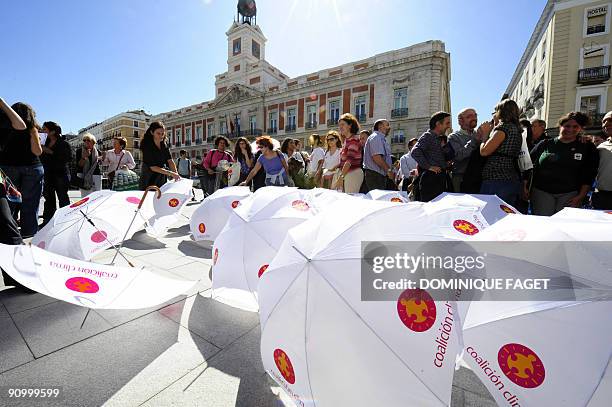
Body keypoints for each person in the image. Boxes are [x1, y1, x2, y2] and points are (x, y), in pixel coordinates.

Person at [530, 112, 599, 215]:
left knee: (564, 225)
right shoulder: (545, 144)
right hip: (542, 192)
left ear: (580, 129)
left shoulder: (587, 146)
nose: (570, 129)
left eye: (575, 126)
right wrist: (525, 187)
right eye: (567, 126)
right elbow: (528, 165)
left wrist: (581, 196)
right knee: (543, 224)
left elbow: (589, 173)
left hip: (570, 194)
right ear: (560, 126)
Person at [0, 102, 43, 237]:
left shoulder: (5, 127)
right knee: (30, 205)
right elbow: (37, 151)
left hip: (9, 167)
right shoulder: (32, 129)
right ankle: (29, 237)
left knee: (9, 205)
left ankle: (9, 236)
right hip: (32, 167)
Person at [478, 99, 524, 206]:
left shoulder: (503, 128)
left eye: (495, 111)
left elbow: (484, 151)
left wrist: (485, 135)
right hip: (511, 177)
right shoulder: (517, 129)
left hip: (496, 179)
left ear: (501, 112)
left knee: (490, 214)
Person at [411, 112, 452, 201]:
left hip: (439, 179)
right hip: (431, 181)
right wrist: (429, 167)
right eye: (447, 123)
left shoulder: (438, 138)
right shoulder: (428, 136)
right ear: (438, 124)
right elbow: (415, 151)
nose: (449, 126)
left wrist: (445, 164)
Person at [40, 121, 71, 226]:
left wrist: (50, 151)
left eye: (44, 129)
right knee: (48, 199)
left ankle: (65, 221)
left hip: (60, 174)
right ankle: (48, 221)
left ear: (52, 131)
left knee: (63, 198)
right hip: (47, 174)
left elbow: (67, 158)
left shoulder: (63, 143)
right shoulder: (44, 142)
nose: (42, 131)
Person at [139, 121, 180, 189]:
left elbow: (170, 161)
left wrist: (176, 174)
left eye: (162, 133)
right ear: (152, 132)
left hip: (161, 178)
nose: (161, 136)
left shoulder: (164, 145)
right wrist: (171, 173)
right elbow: (152, 167)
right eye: (158, 133)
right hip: (148, 178)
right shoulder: (146, 146)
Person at [448, 108, 481, 192]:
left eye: (475, 115)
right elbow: (459, 156)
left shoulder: (480, 135)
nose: (474, 118)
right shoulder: (453, 137)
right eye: (469, 116)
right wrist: (474, 140)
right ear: (460, 121)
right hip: (461, 178)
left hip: (479, 178)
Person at [333, 113, 364, 193]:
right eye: (339, 125)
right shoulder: (347, 141)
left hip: (353, 173)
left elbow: (349, 161)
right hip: (345, 173)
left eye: (343, 124)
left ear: (350, 125)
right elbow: (345, 161)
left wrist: (341, 177)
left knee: (350, 201)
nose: (340, 127)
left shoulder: (353, 140)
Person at [363, 119, 394, 192]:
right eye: (387, 125)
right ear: (380, 126)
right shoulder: (376, 137)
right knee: (378, 199)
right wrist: (388, 170)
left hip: (378, 174)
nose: (389, 128)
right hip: (375, 175)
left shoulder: (379, 138)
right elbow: (377, 157)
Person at [593, 111, 612, 209]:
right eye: (604, 121)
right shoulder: (601, 146)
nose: (606, 124)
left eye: (610, 120)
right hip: (601, 196)